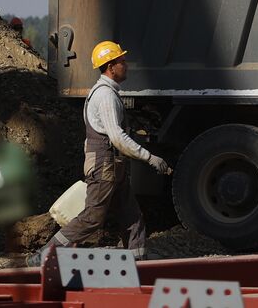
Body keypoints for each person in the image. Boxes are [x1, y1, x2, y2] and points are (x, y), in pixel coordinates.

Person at [29, 40, 172, 264]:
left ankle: (139, 259)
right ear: (110, 66)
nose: (126, 65)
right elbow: (117, 137)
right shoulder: (105, 95)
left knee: (131, 215)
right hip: (105, 164)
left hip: (113, 164)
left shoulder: (109, 92)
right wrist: (150, 157)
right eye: (121, 62)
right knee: (93, 217)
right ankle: (46, 254)